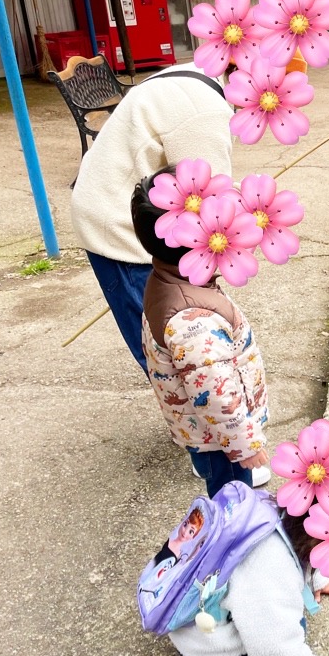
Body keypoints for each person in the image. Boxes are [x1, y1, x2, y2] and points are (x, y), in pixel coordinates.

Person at [71, 60, 233, 375]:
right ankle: (195, 416)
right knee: (166, 351)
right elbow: (211, 213)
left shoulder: (202, 74)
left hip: (127, 205)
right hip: (117, 225)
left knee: (174, 337)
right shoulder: (205, 111)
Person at [130, 165, 273, 498]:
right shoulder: (192, 321)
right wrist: (246, 445)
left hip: (209, 433)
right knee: (232, 499)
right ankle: (232, 544)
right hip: (219, 441)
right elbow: (215, 391)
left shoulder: (168, 278)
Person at [157, 503, 329, 656]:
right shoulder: (272, 568)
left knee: (285, 614)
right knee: (293, 628)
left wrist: (318, 581)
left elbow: (304, 554)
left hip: (195, 612)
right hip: (204, 642)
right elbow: (272, 643)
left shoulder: (275, 513)